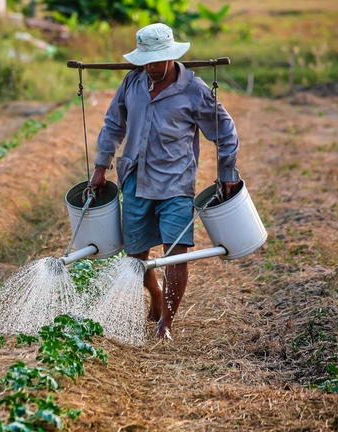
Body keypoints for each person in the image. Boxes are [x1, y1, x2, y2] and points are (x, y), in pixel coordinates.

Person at [89, 23, 241, 340]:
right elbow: (113, 124)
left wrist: (227, 172)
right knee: (136, 257)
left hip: (176, 183)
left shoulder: (194, 90)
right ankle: (156, 295)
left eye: (156, 61)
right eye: (146, 61)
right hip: (135, 180)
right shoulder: (132, 83)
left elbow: (225, 132)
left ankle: (165, 325)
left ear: (171, 57)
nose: (151, 67)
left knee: (176, 253)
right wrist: (101, 166)